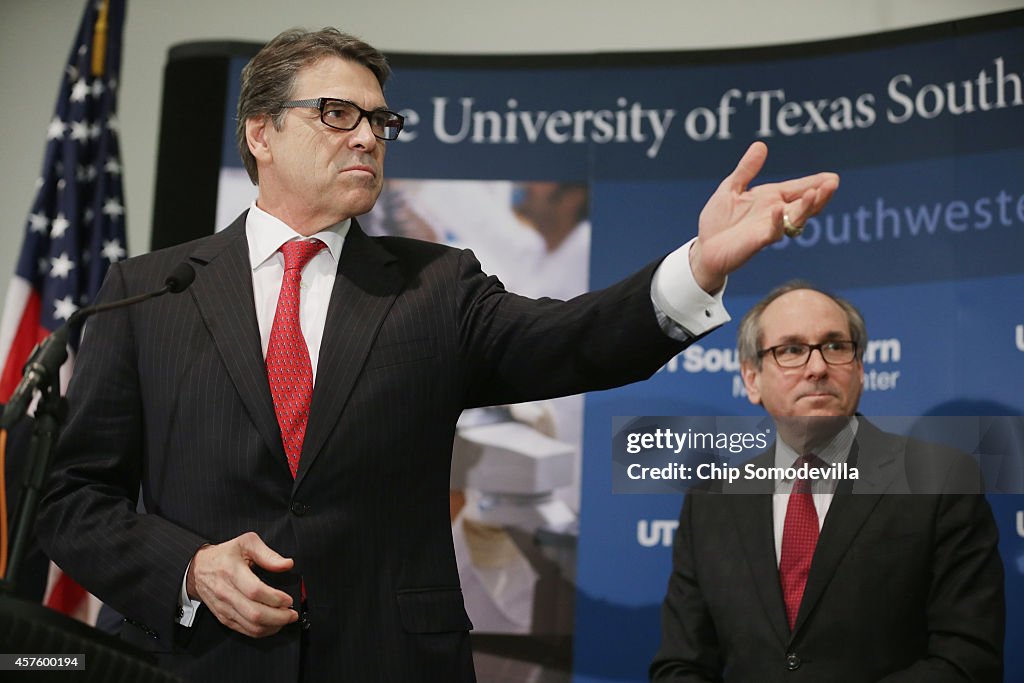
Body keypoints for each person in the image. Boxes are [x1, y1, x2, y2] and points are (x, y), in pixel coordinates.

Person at [35, 27, 838, 682]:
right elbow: (72, 497)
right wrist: (189, 567)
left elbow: (574, 342)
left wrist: (701, 261)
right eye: (336, 115)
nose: (369, 138)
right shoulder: (152, 290)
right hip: (194, 660)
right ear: (260, 132)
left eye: (380, 122)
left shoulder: (434, 286)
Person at [650, 282, 1005, 682]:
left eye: (836, 347)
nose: (817, 367)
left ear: (860, 369)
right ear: (752, 379)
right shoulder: (710, 502)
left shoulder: (940, 481)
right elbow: (681, 664)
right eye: (791, 350)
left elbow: (967, 660)